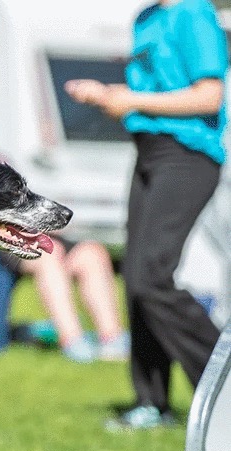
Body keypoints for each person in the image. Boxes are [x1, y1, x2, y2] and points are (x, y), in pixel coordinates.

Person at [67, 0, 226, 429]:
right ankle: (151, 403)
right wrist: (108, 96)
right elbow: (151, 92)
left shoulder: (194, 13)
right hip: (148, 153)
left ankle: (223, 391)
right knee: (136, 282)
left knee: (153, 278)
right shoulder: (145, 18)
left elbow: (210, 96)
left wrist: (130, 98)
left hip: (188, 155)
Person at [0, 84, 130, 363]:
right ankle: (74, 340)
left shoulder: (0, 159)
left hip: (25, 230)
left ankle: (112, 338)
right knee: (49, 257)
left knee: (92, 252)